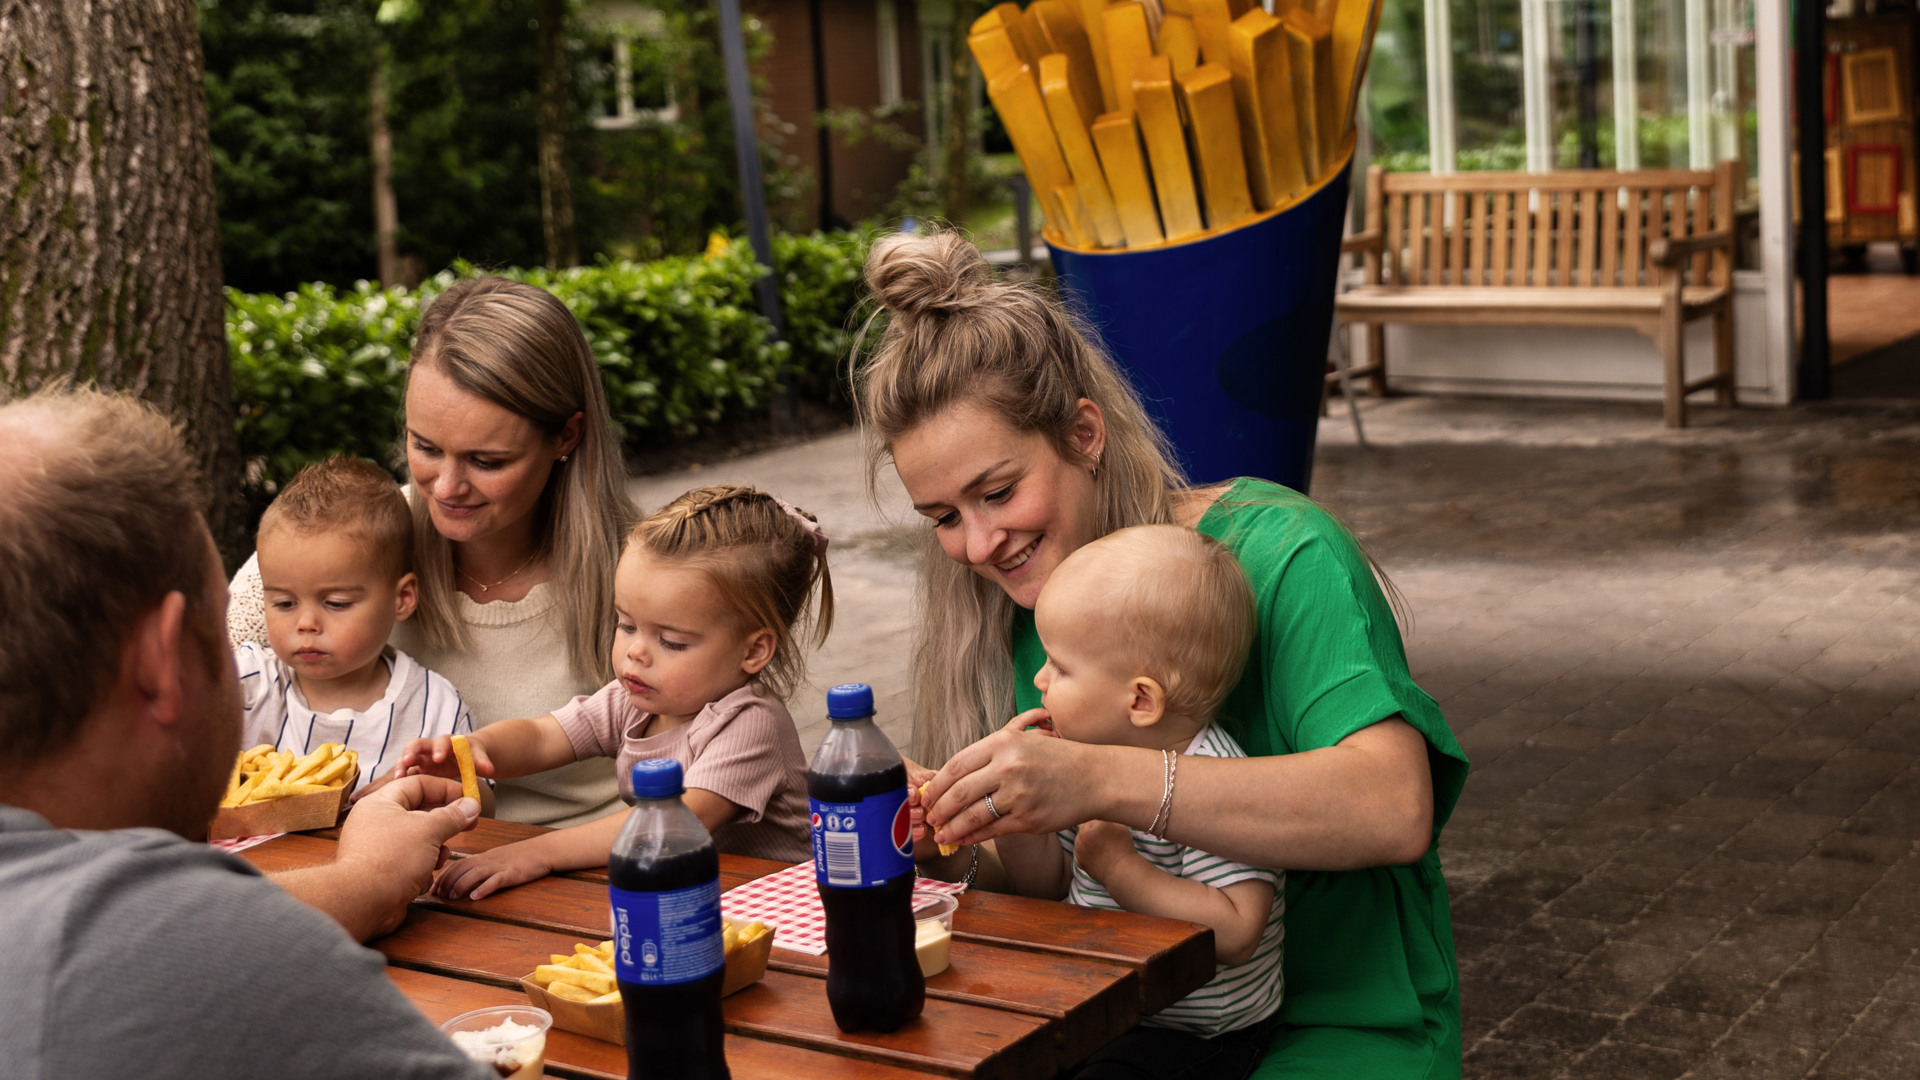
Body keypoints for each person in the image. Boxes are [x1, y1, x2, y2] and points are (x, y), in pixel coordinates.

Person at [860, 232, 1471, 1079]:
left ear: (1083, 434)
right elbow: (1055, 887)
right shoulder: (1026, 611)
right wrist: (951, 834)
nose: (977, 543)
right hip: (1132, 1026)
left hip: (1345, 1029)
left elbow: (1394, 806)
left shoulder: (1281, 550)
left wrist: (1098, 779)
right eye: (943, 517)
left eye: (997, 492)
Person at [0, 386, 489, 1078]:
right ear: (164, 661)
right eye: (229, 618)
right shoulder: (225, 957)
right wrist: (363, 882)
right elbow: (181, 946)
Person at [231, 276, 639, 827]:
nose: (446, 487)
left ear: (566, 437)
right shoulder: (337, 544)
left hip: (590, 875)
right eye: (424, 447)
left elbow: (717, 771)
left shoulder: (644, 570)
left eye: (487, 461)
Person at [391, 485, 827, 899]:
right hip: (690, 892)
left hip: (782, 908)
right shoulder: (632, 700)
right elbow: (545, 736)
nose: (635, 652)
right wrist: (475, 749)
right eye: (626, 624)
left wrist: (537, 852)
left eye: (671, 641)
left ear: (754, 651)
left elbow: (672, 824)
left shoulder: (750, 723)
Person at [997, 525, 1283, 1080]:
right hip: (1099, 1005)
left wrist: (1119, 867)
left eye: (1060, 666)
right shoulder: (1082, 760)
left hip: (1194, 1031)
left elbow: (1237, 931)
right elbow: (1048, 883)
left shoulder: (1218, 779)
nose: (1038, 678)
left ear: (1141, 699)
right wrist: (1011, 818)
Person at [237, 455, 479, 797]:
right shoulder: (248, 682)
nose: (306, 624)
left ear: (402, 599)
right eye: (284, 604)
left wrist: (433, 788)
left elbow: (479, 805)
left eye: (336, 603)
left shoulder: (435, 708)